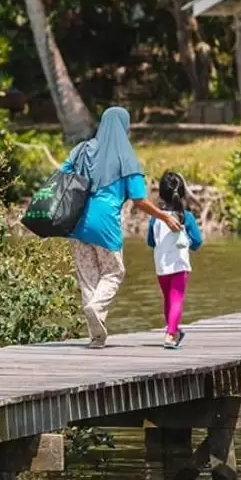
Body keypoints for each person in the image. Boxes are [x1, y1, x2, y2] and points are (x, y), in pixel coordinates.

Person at [61, 106, 181, 348]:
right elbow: (139, 200)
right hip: (105, 224)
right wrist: (164, 217)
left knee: (88, 277)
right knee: (114, 272)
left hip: (76, 223)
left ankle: (96, 337)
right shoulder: (127, 158)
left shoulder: (82, 150)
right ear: (124, 127)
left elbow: (62, 175)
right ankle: (96, 309)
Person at [147, 171, 203, 349]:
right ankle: (171, 335)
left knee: (168, 300)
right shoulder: (186, 217)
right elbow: (197, 241)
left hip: (161, 267)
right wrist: (189, 245)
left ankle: (173, 329)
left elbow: (150, 241)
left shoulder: (155, 218)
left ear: (161, 194)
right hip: (179, 265)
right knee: (177, 299)